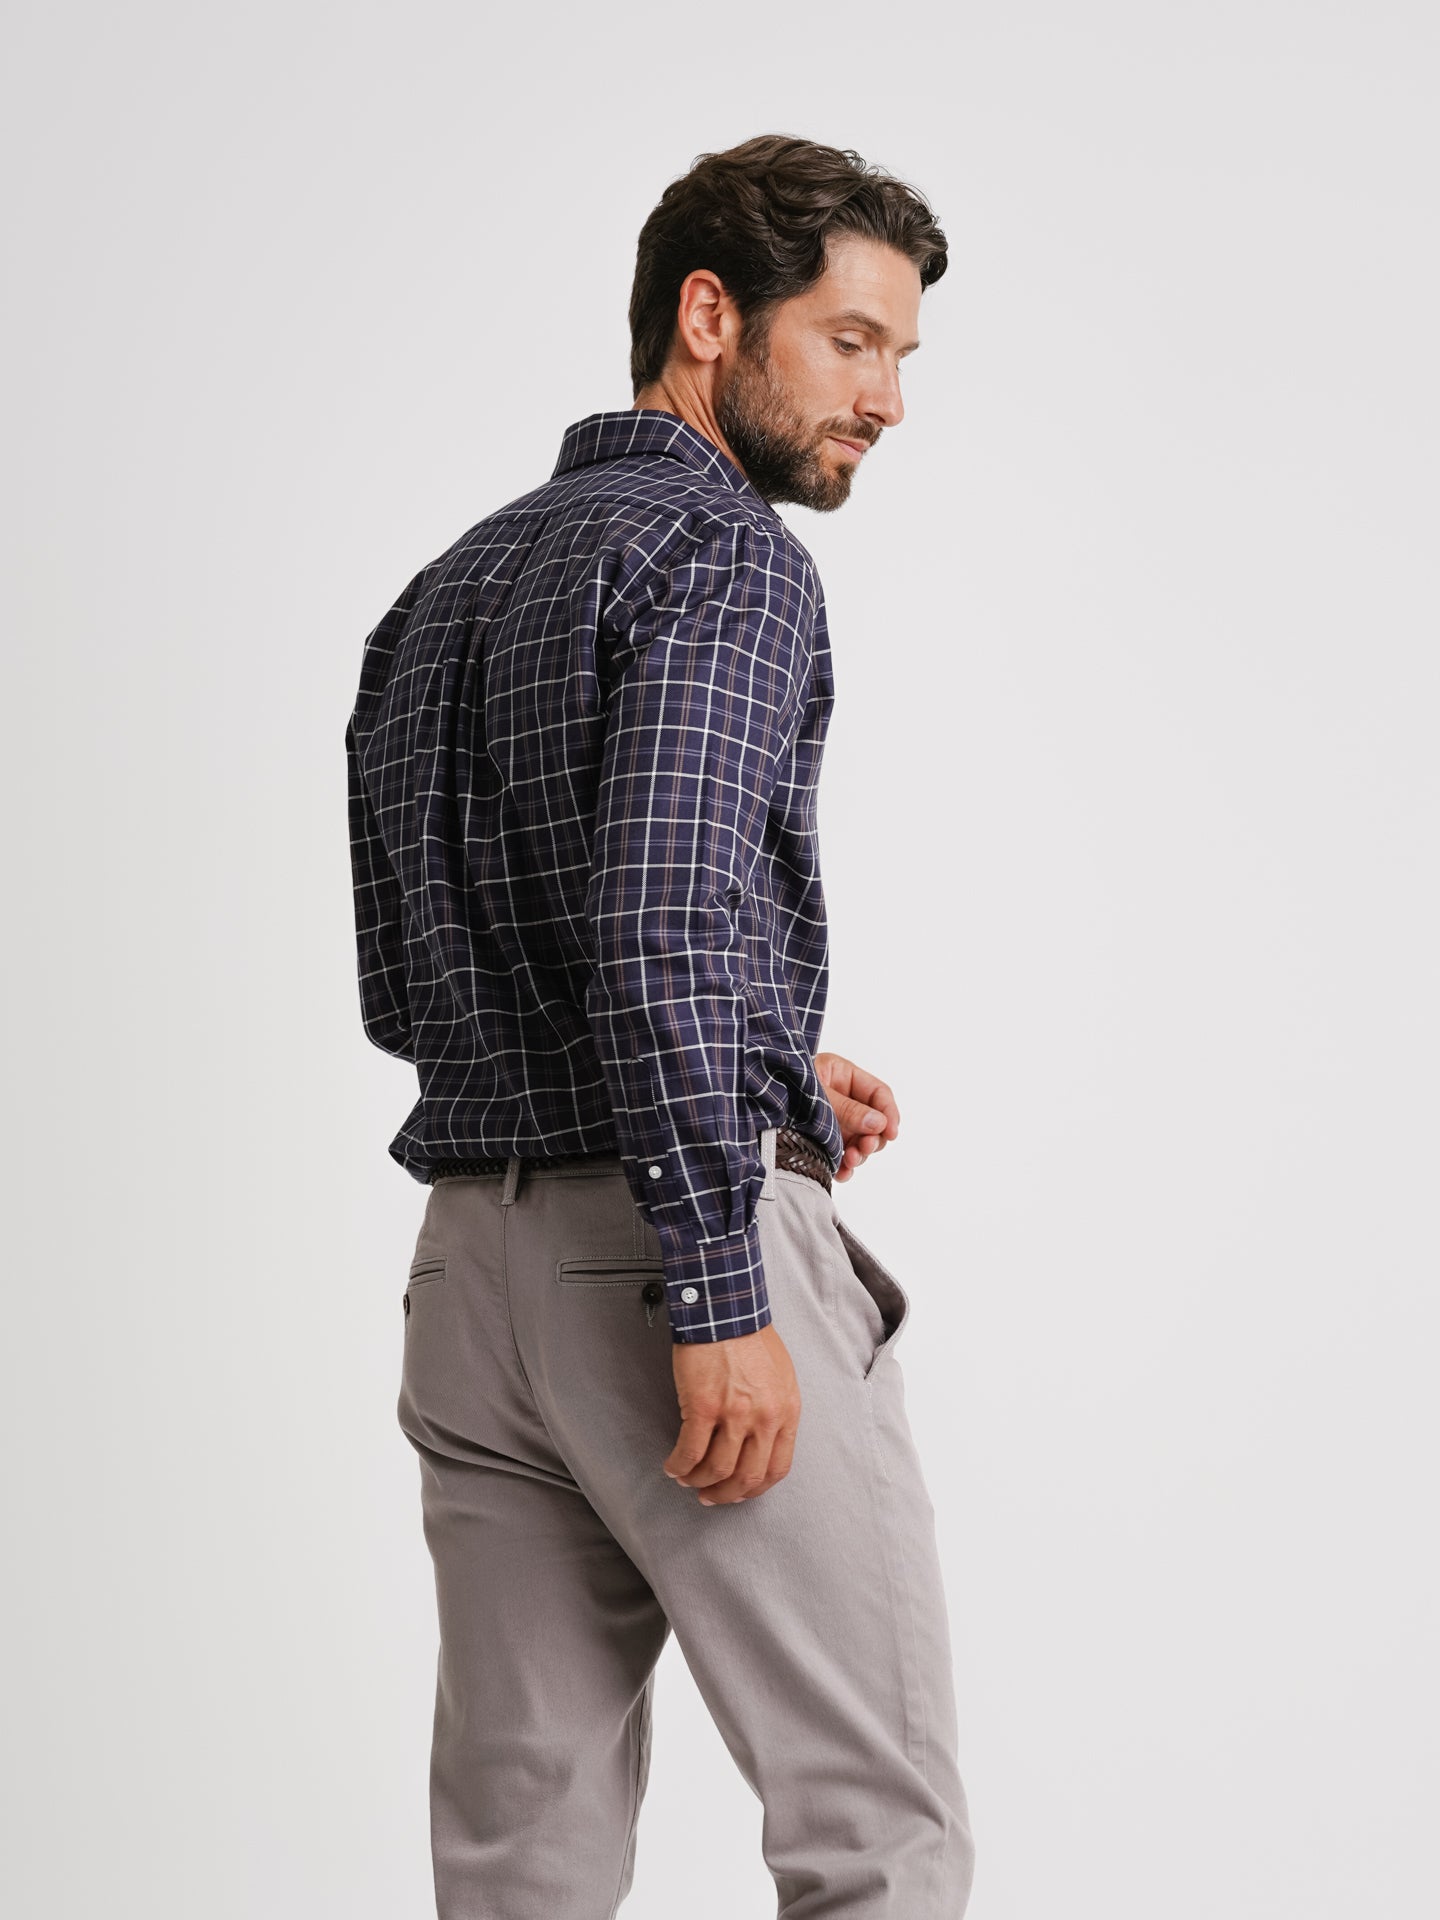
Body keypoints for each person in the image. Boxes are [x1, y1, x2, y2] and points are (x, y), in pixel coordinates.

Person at [345, 131, 975, 1917]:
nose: (888, 400)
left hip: (471, 1285)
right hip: (668, 1263)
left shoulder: (443, 591)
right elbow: (661, 919)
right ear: (711, 316)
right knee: (873, 1829)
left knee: (520, 1862)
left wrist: (763, 1052)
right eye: (851, 342)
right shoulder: (725, 558)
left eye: (902, 356)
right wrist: (715, 1278)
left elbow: (417, 973)